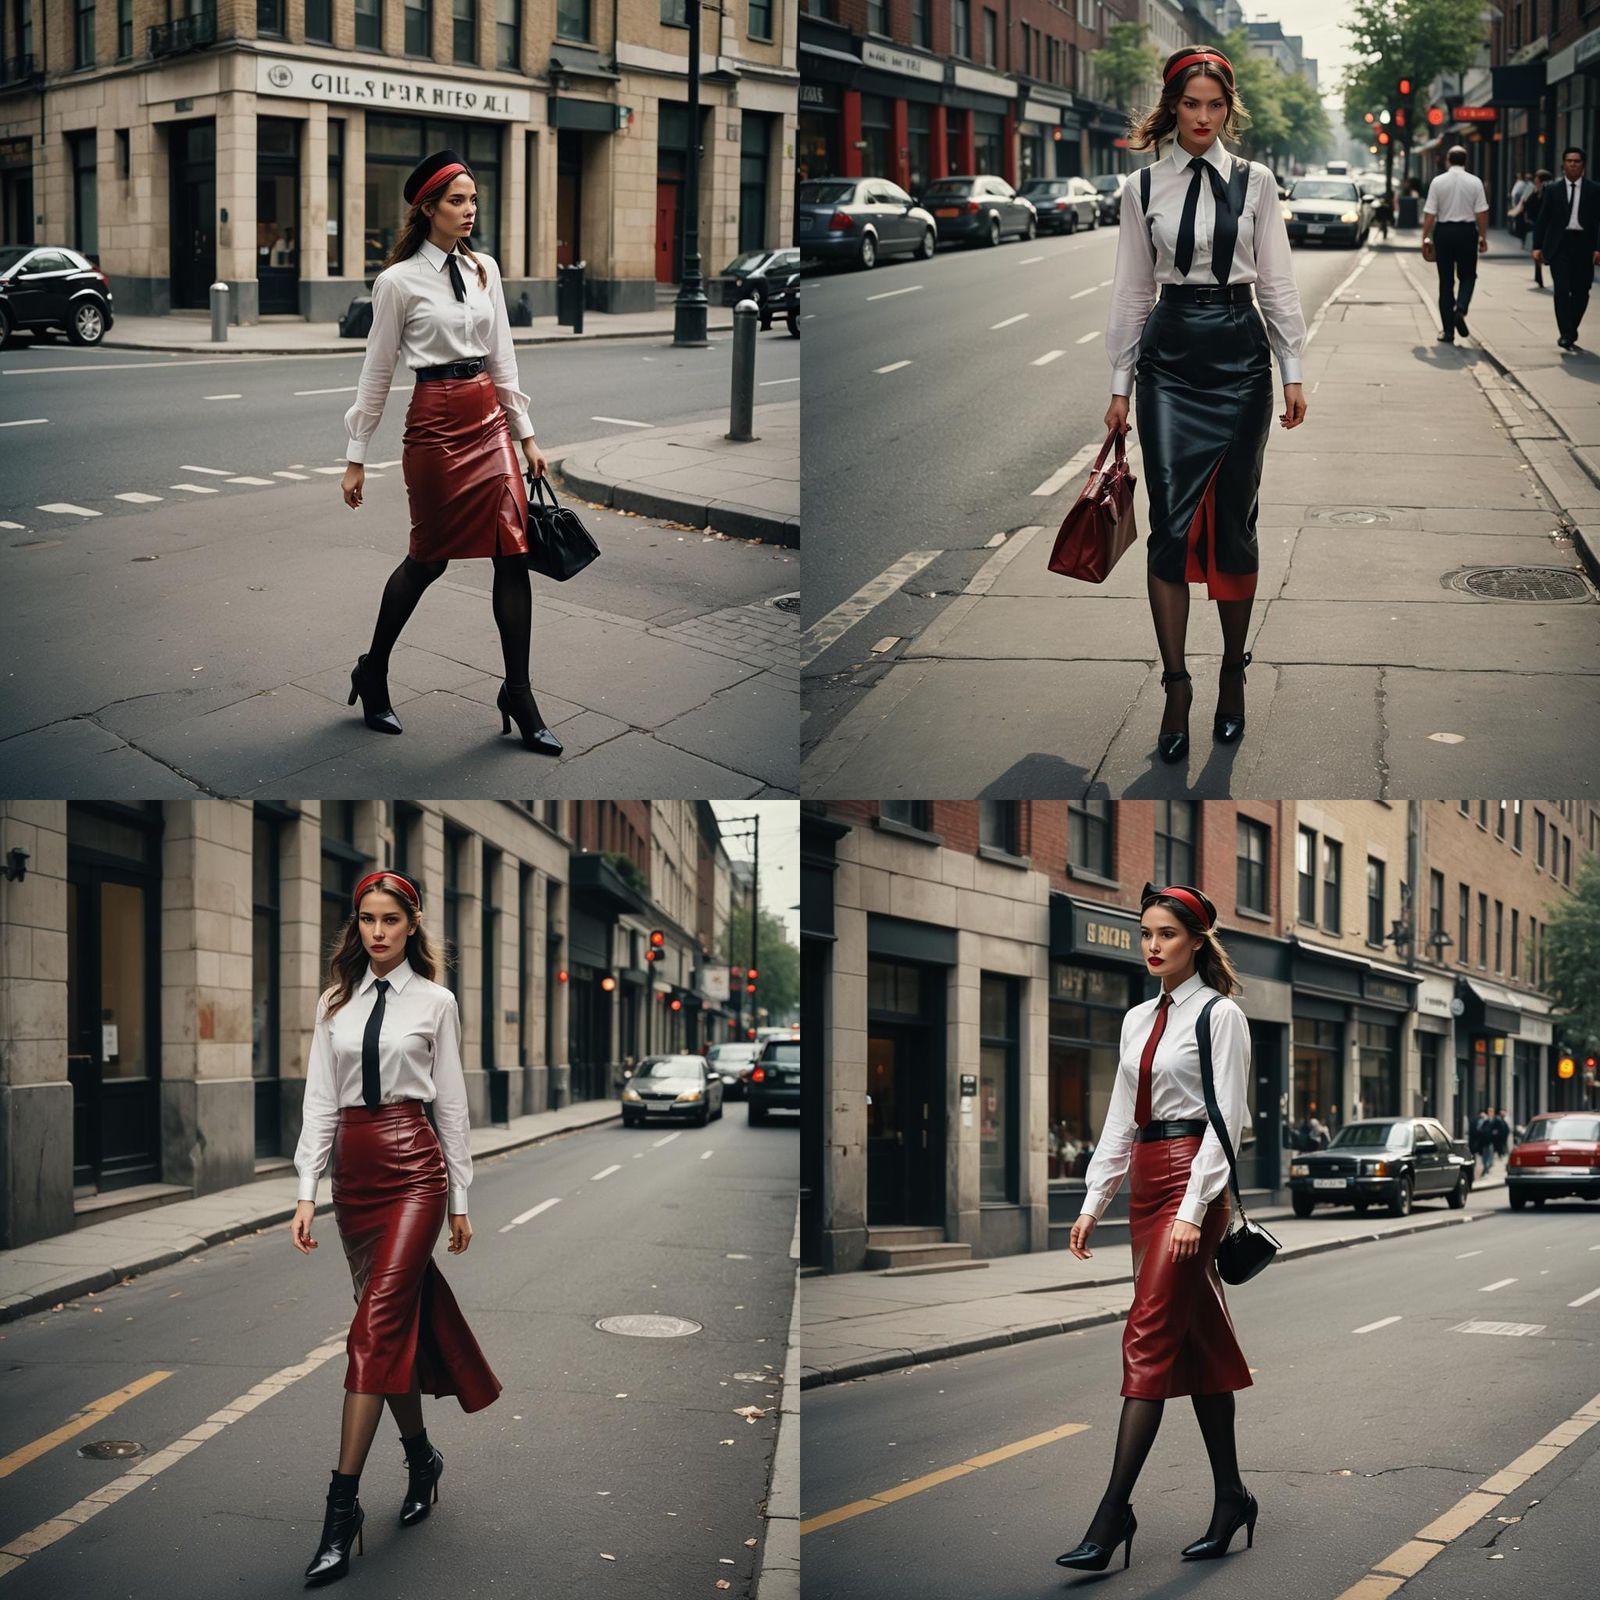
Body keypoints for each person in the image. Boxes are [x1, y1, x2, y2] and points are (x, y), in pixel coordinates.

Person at [291, 871, 501, 1587]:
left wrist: (461, 1198)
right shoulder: (334, 1003)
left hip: (414, 1172)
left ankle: (340, 1512)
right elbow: (320, 1101)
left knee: (375, 1330)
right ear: (357, 926)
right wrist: (305, 1189)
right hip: (354, 1182)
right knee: (393, 1335)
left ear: (412, 926)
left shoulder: (435, 1002)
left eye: (391, 920)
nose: (377, 932)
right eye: (367, 920)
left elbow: (452, 1106)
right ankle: (421, 1459)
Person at [1103, 47, 1307, 765]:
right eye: (1190, 103)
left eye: (1214, 105)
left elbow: (1276, 279)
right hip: (1170, 358)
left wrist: (1293, 368)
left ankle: (1231, 673)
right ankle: (1177, 684)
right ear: (1172, 105)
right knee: (1168, 524)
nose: (1201, 117)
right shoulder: (1140, 187)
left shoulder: (1255, 182)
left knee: (1233, 524)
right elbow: (1132, 289)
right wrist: (1120, 386)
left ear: (1229, 110)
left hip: (1240, 358)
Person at [1060, 885, 1256, 1574]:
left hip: (1188, 1179)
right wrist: (1092, 1202)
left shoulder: (1220, 1016)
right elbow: (1121, 1119)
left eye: (1166, 934)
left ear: (1196, 941)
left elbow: (1226, 1120)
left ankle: (1113, 1515)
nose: (1151, 944)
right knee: (1197, 1344)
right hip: (1145, 1178)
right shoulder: (1138, 1017)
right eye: (1145, 932)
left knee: (1145, 1335)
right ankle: (1232, 1497)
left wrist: (1196, 1208)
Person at [341, 149, 562, 756]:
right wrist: (356, 454)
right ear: (428, 207)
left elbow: (503, 359)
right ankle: (374, 669)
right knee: (428, 560)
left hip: (490, 422)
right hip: (435, 427)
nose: (469, 211)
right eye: (457, 201)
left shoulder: (485, 268)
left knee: (513, 554)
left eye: (472, 200)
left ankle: (518, 693)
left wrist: (526, 435)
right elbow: (376, 372)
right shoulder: (397, 282)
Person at [1531, 145, 1600, 350]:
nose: (1572, 164)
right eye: (1569, 161)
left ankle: (1572, 328)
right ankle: (1565, 334)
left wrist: (1598, 248)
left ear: (1583, 165)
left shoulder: (1595, 190)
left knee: (1581, 291)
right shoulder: (1552, 189)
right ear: (1563, 165)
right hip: (1559, 246)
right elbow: (1542, 220)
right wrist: (1537, 246)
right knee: (1561, 290)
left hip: (1584, 246)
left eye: (1576, 161)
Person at [1420, 147, 1489, 343]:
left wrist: (1425, 237)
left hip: (1444, 233)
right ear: (1465, 160)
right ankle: (1461, 307)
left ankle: (1448, 331)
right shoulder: (1475, 182)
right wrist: (1483, 236)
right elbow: (1482, 212)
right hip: (1467, 232)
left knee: (1446, 281)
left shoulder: (1438, 181)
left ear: (1448, 160)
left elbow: (1430, 213)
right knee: (1468, 275)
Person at [1525, 169, 1551, 287]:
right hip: (1538, 225)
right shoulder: (1536, 192)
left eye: (1537, 179)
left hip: (1547, 227)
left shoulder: (1548, 192)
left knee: (1545, 251)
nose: (1535, 181)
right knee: (1537, 250)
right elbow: (1528, 205)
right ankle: (1538, 275)